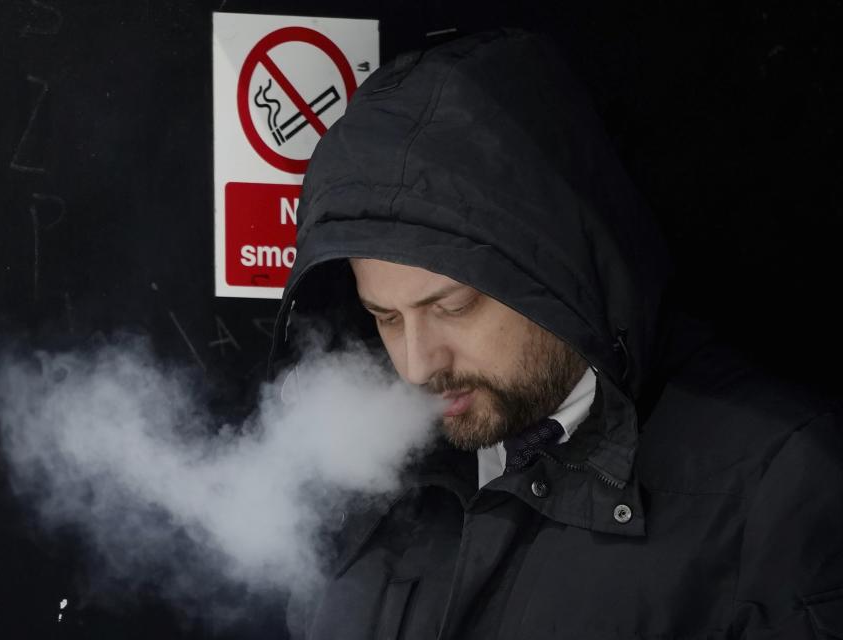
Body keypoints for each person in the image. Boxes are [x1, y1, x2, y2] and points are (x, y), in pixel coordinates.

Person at [269, 30, 843, 639]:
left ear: (559, 274)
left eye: (455, 306)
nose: (416, 365)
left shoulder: (777, 491)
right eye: (386, 318)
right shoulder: (363, 480)